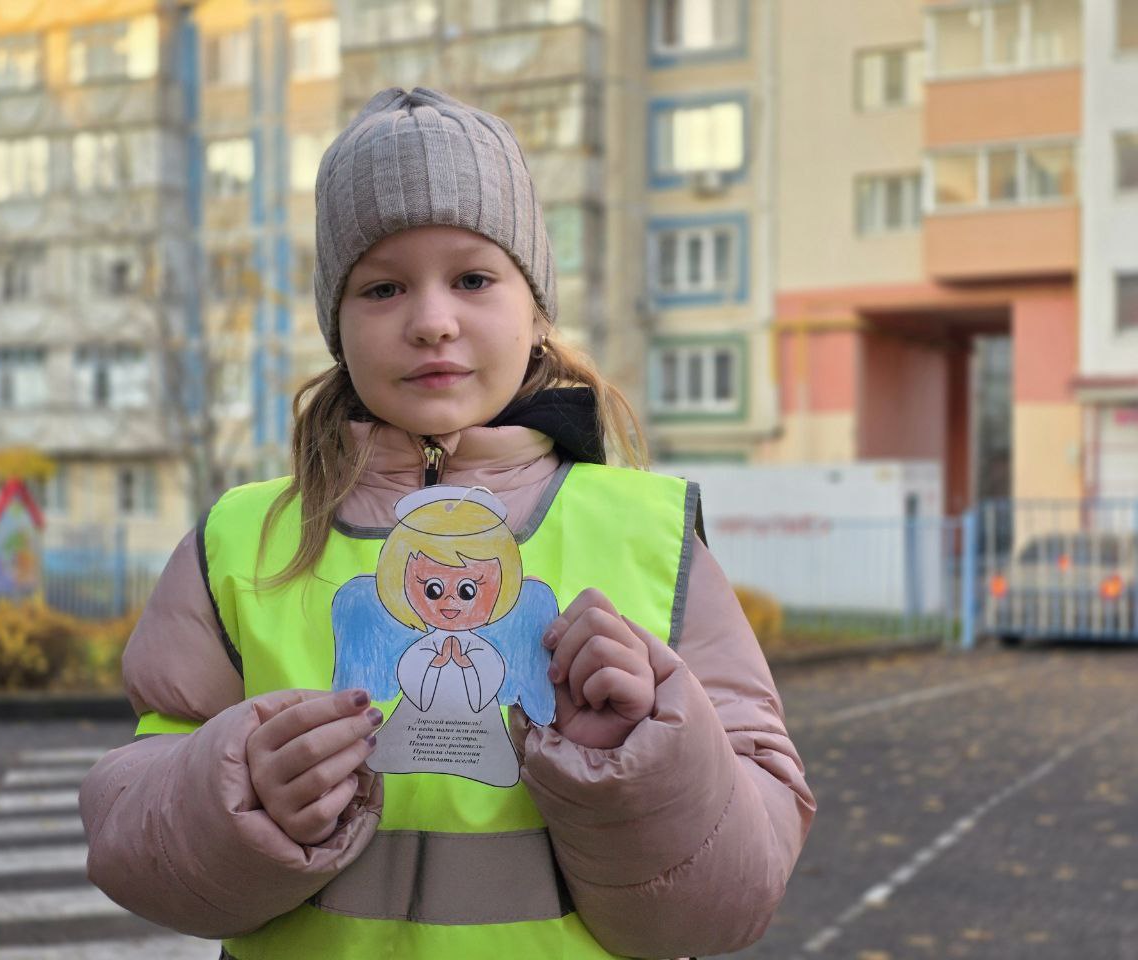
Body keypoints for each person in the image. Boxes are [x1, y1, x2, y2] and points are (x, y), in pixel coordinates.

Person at [79, 86, 815, 960]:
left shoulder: (647, 534)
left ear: (535, 307)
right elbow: (133, 831)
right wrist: (235, 790)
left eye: (472, 277)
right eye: (383, 287)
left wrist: (648, 756)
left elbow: (735, 892)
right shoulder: (240, 543)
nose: (431, 321)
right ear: (336, 325)